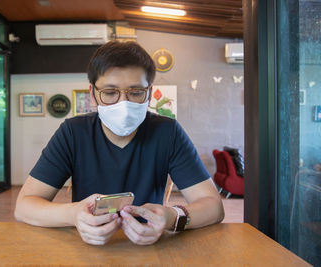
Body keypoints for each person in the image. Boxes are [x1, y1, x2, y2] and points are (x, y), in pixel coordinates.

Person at [14, 41, 224, 246]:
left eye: (135, 92)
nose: (123, 104)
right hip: (89, 247)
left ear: (149, 94)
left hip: (150, 249)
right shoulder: (73, 133)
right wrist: (74, 214)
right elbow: (24, 207)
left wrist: (171, 217)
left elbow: (213, 206)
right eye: (110, 92)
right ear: (93, 95)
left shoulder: (167, 132)